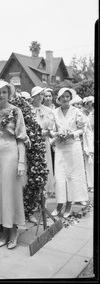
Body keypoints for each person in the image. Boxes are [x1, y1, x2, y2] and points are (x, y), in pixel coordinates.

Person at [0, 80, 31, 249]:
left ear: (8, 94)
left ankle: (14, 230)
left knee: (10, 192)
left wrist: (21, 162)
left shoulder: (16, 112)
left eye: (4, 92)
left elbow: (21, 139)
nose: (1, 95)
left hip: (10, 152)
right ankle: (4, 230)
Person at [50, 88, 89, 218]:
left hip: (73, 147)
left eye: (67, 96)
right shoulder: (54, 112)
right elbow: (51, 130)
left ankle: (68, 205)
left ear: (70, 98)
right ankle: (59, 204)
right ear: (59, 99)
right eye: (63, 97)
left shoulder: (77, 112)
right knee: (60, 176)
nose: (65, 99)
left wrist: (71, 134)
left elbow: (82, 128)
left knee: (72, 177)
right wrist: (57, 134)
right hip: (61, 147)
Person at [31, 86, 55, 199]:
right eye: (37, 95)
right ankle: (34, 198)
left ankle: (44, 197)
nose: (40, 97)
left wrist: (43, 132)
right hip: (32, 143)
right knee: (33, 168)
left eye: (41, 95)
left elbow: (51, 129)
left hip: (44, 143)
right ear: (33, 97)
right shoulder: (28, 110)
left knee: (45, 167)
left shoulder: (48, 111)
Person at [81, 99, 94, 193]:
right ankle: (89, 184)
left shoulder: (90, 115)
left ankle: (91, 184)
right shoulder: (85, 116)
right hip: (86, 141)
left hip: (90, 140)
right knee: (88, 163)